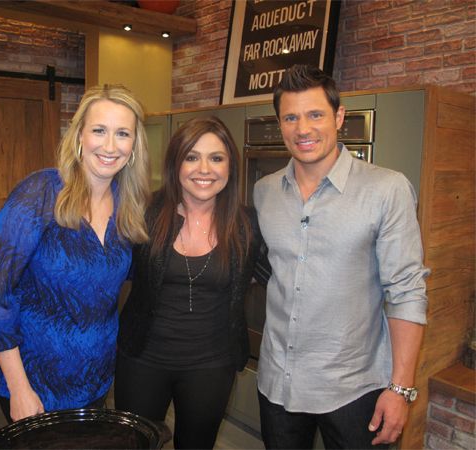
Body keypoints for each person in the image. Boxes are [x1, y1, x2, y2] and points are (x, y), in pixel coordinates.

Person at [254, 64, 430, 449]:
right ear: (280, 124)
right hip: (277, 383)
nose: (303, 129)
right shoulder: (265, 192)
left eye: (316, 114)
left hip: (354, 390)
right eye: (291, 118)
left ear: (338, 117)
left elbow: (407, 292)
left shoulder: (386, 189)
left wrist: (400, 389)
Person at [0, 84, 150, 423]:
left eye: (123, 134)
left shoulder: (128, 206)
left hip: (95, 380)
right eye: (99, 130)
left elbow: (126, 282)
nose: (110, 146)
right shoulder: (40, 193)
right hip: (35, 384)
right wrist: (20, 389)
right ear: (80, 135)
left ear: (134, 145)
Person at [115, 116, 269, 449]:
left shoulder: (248, 225)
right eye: (192, 157)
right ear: (176, 164)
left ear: (230, 166)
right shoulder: (145, 213)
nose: (204, 169)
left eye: (216, 158)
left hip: (211, 365)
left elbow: (279, 275)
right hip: (142, 359)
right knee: (134, 444)